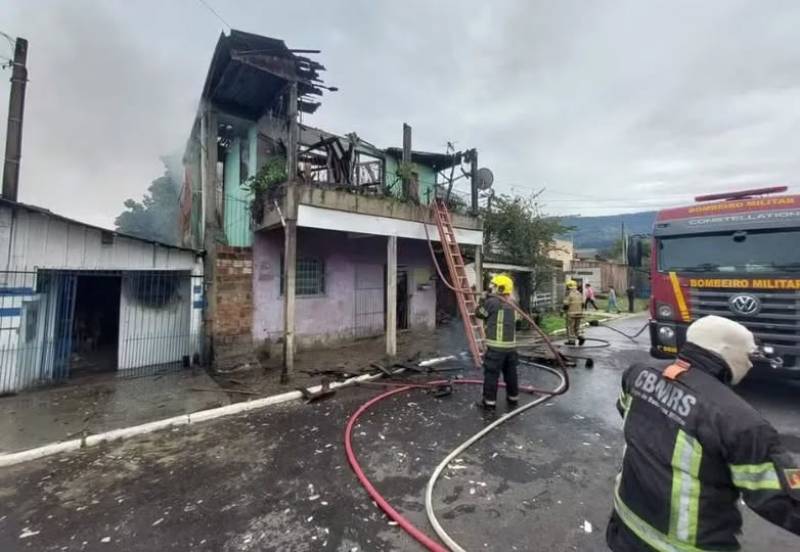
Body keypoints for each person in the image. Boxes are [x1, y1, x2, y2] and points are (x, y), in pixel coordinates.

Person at [607, 315, 800, 551]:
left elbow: (626, 411)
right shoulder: (742, 424)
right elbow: (784, 500)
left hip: (623, 529)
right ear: (725, 351)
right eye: (748, 356)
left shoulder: (637, 374)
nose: (750, 365)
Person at [474, 274, 518, 409]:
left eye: (493, 286)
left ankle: (489, 402)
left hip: (496, 348)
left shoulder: (492, 302)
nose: (490, 288)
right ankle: (513, 397)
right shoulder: (513, 303)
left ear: (500, 288)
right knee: (510, 374)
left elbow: (479, 313)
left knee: (491, 374)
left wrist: (482, 299)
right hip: (511, 348)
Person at [562, 280, 584, 346]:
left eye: (567, 286)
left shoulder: (569, 293)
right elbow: (583, 303)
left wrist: (563, 311)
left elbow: (566, 304)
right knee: (577, 327)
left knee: (570, 327)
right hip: (579, 312)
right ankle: (580, 337)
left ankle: (571, 341)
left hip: (571, 313)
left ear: (569, 286)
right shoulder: (579, 293)